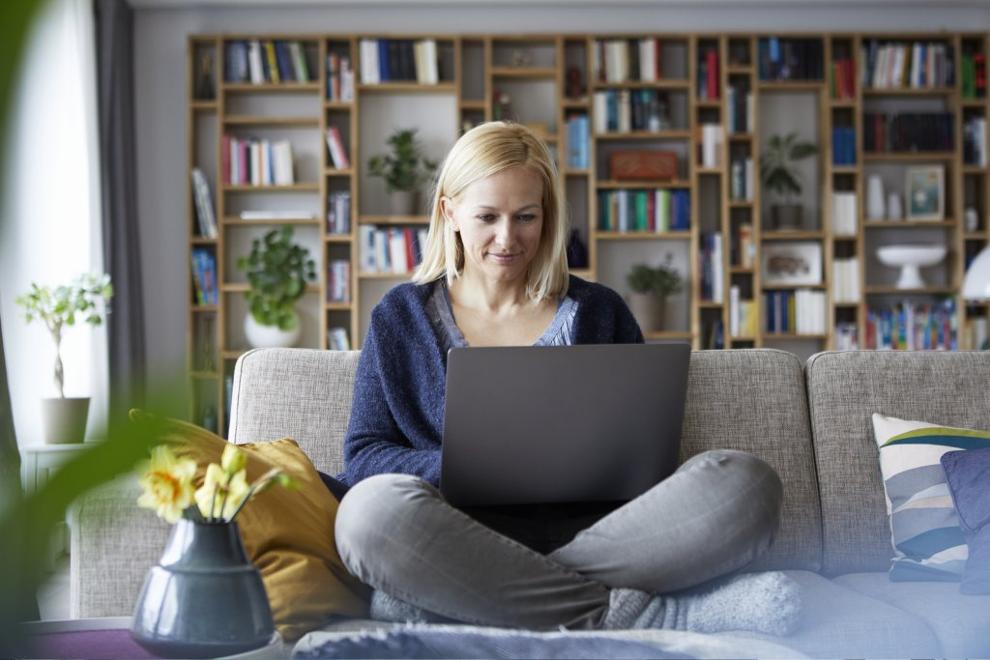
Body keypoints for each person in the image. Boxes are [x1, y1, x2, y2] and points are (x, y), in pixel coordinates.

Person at [333, 121, 800, 634]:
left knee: (748, 485)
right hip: (458, 535)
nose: (507, 238)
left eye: (526, 217)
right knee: (368, 518)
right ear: (450, 212)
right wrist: (470, 467)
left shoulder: (600, 312)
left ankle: (471, 597)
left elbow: (642, 456)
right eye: (487, 216)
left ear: (547, 216)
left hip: (606, 538)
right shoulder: (400, 317)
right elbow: (364, 455)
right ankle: (646, 614)